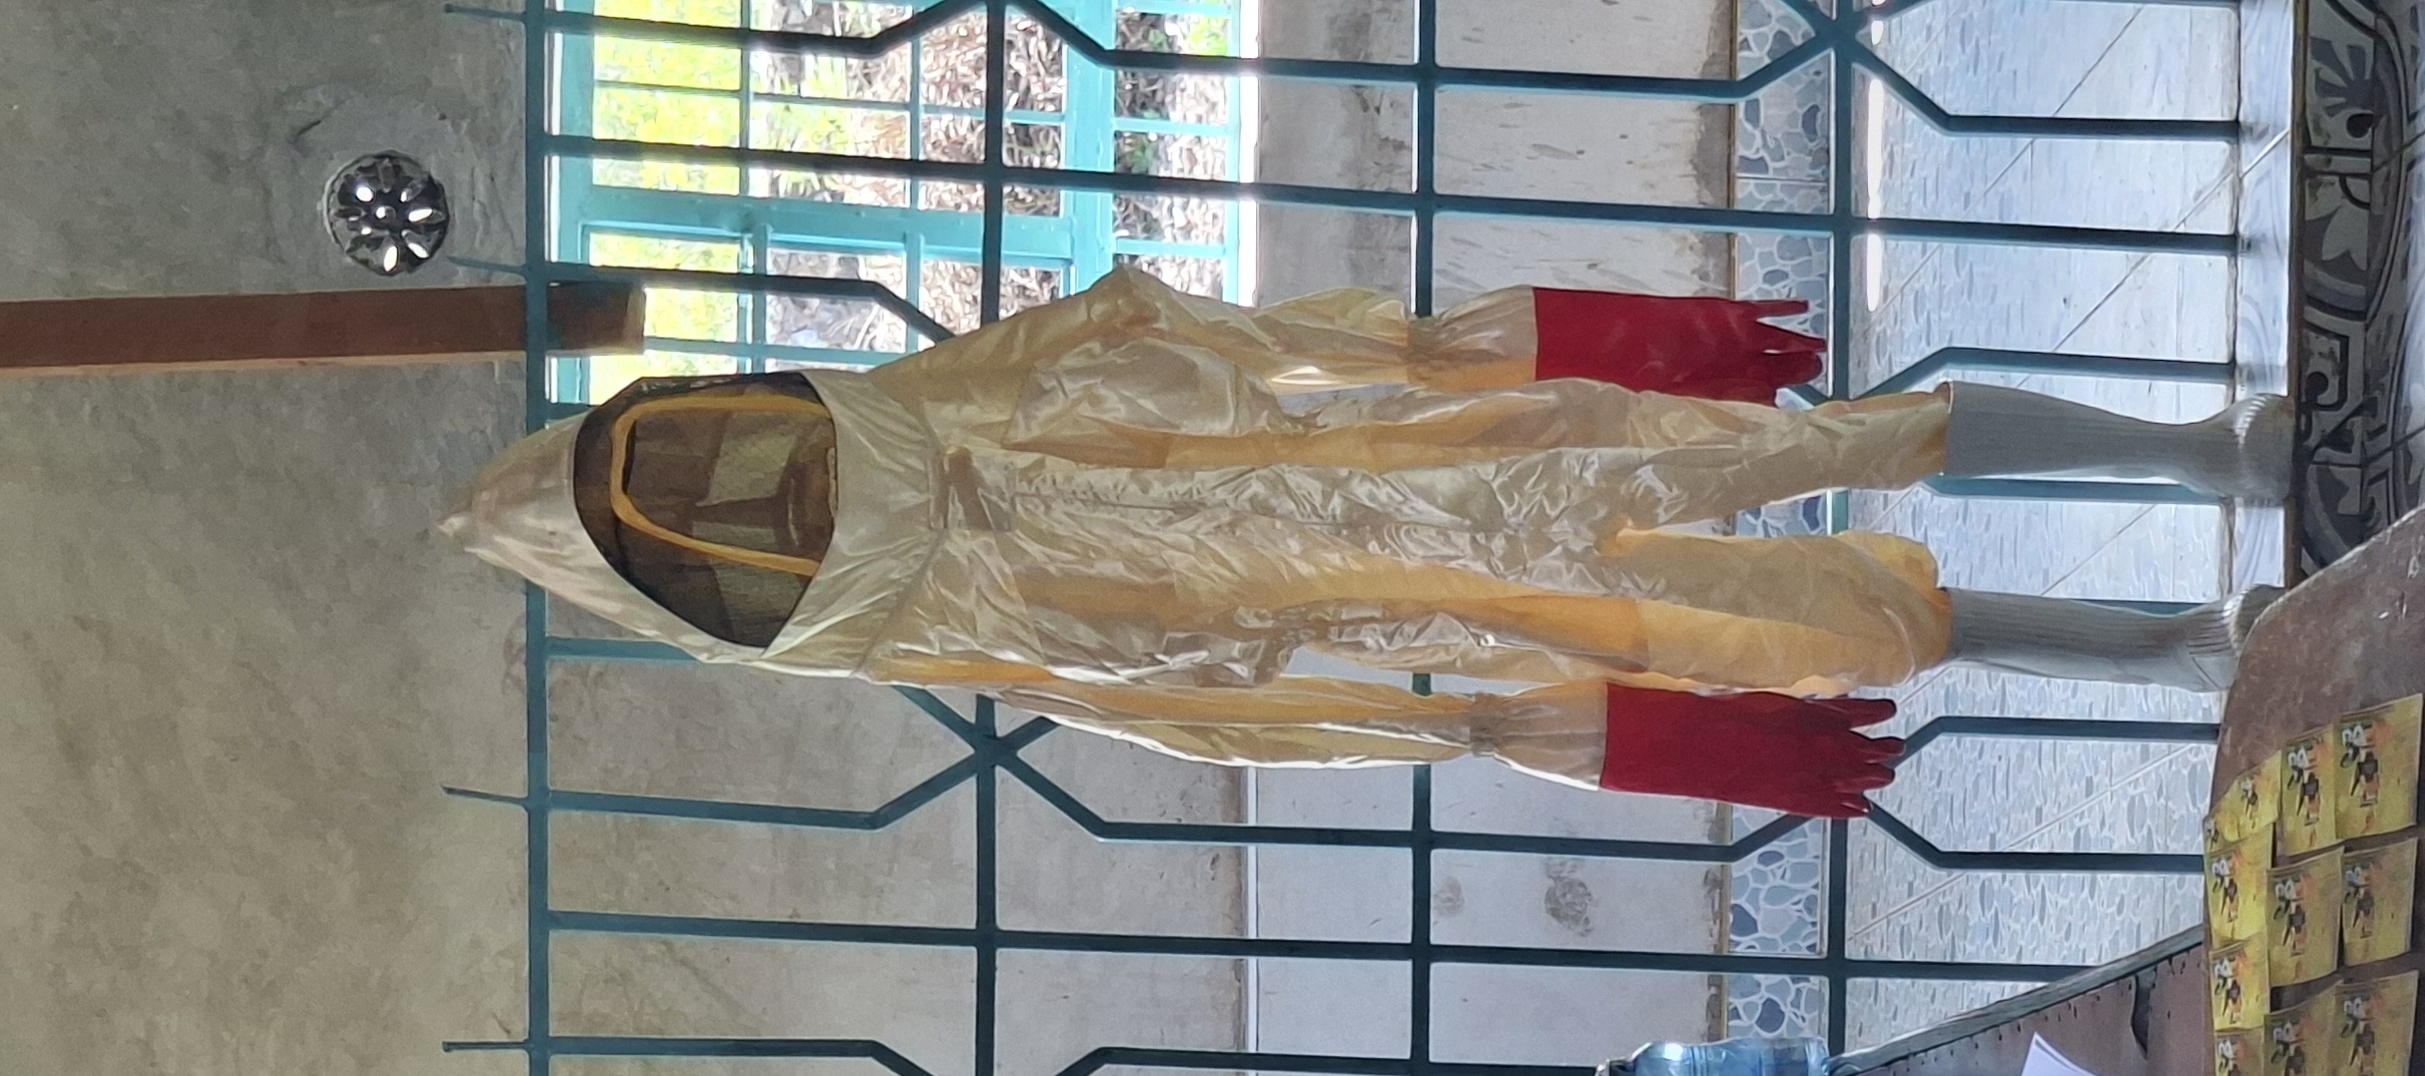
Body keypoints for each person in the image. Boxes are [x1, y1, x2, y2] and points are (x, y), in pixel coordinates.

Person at [443, 274, 2288, 819]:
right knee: (1854, 618)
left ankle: (2202, 454)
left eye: (692, 473)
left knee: (1844, 438)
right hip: (1471, 588)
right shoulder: (922, 613)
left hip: (1464, 448)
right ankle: (2192, 644)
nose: (728, 501)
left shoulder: (925, 409)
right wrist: (1469, 726)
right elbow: (1193, 712)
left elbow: (1140, 324)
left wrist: (1438, 354)